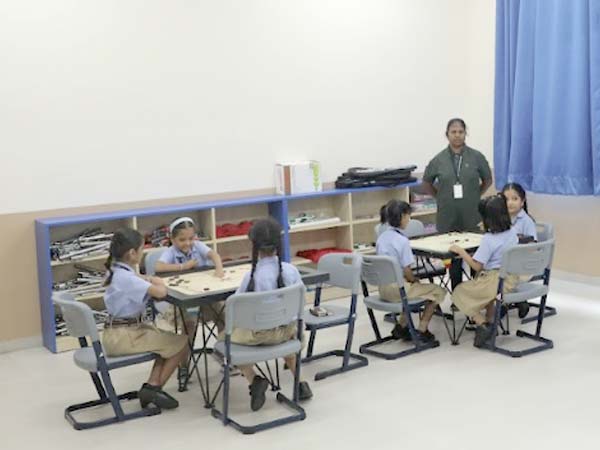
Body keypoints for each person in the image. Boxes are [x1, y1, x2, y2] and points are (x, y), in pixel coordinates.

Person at [226, 218, 313, 411]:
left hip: (261, 337)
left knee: (225, 337)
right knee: (284, 331)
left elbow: (235, 309)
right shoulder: (291, 270)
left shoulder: (251, 276)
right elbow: (301, 301)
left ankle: (254, 380)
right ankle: (301, 383)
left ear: (253, 244)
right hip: (290, 334)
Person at [102, 228, 188, 409]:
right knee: (181, 344)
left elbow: (139, 280)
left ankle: (152, 385)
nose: (143, 253)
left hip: (120, 331)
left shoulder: (115, 270)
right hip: (125, 336)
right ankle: (154, 389)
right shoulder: (126, 277)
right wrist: (158, 282)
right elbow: (160, 292)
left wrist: (148, 279)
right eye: (141, 249)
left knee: (165, 340)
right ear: (132, 253)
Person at [449, 195, 519, 348]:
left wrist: (461, 252)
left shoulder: (488, 239)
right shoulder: (512, 232)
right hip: (509, 279)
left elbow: (477, 266)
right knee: (489, 296)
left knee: (459, 293)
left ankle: (482, 324)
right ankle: (491, 322)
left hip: (493, 282)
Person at [376, 200, 447, 343]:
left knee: (414, 288)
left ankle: (401, 327)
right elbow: (407, 271)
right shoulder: (402, 241)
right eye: (408, 216)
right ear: (402, 217)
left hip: (383, 288)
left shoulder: (381, 238)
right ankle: (422, 330)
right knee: (438, 291)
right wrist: (414, 280)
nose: (409, 220)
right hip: (398, 290)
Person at [422, 118, 493, 233]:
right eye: (453, 132)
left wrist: (475, 194)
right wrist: (440, 196)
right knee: (446, 242)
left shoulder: (476, 157)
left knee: (473, 240)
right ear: (447, 134)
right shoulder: (438, 159)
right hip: (447, 213)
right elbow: (426, 182)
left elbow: (488, 180)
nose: (457, 135)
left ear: (465, 134)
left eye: (461, 132)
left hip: (471, 212)